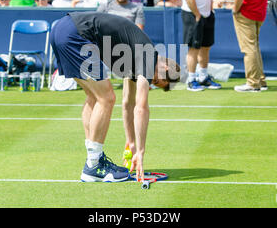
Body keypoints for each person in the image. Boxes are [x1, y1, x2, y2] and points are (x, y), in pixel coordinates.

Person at [49, 11, 180, 182]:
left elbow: (128, 104)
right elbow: (141, 108)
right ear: (166, 69)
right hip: (75, 33)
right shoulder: (148, 54)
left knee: (94, 97)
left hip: (61, 29)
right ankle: (94, 165)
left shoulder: (136, 58)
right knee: (107, 98)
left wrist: (131, 142)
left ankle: (94, 160)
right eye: (157, 80)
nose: (151, 82)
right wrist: (140, 153)